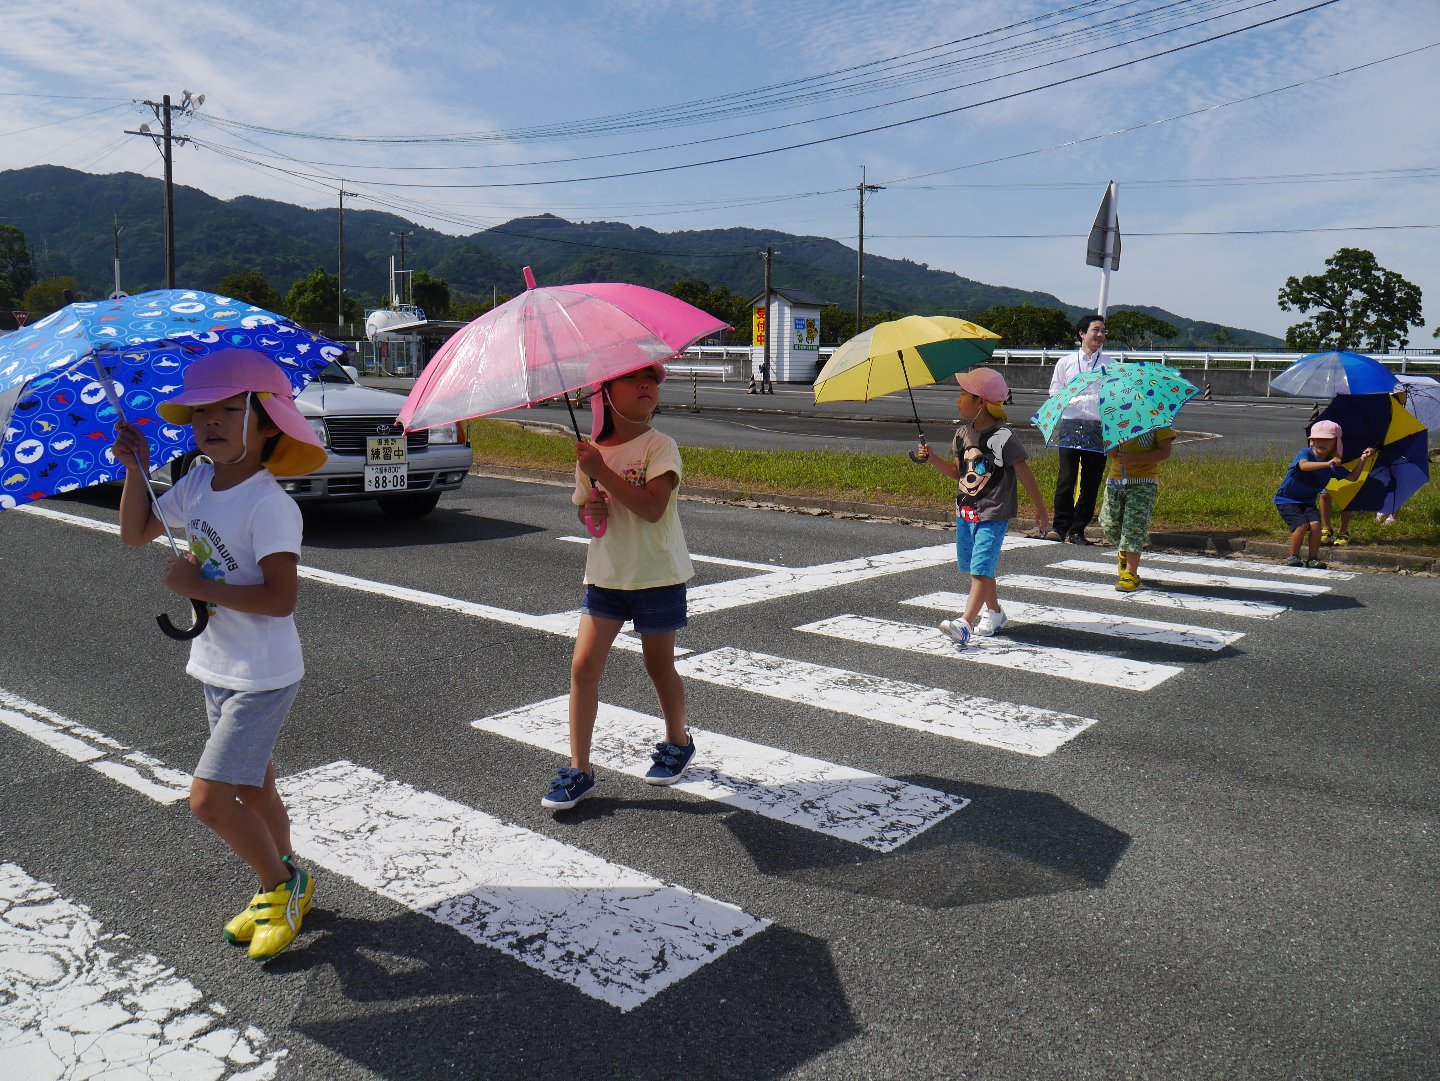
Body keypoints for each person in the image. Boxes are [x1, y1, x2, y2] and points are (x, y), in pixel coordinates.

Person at [112, 348, 327, 963]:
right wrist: (136, 468)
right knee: (255, 790)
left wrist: (199, 586)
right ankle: (287, 881)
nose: (211, 421)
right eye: (201, 410)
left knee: (208, 799)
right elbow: (137, 532)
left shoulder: (270, 504)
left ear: (267, 423)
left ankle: (279, 887)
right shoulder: (200, 480)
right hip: (217, 665)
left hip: (262, 675)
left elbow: (281, 599)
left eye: (230, 409)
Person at [543, 364, 697, 810]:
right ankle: (580, 769)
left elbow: (652, 509)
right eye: (633, 378)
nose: (647, 384)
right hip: (606, 577)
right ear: (605, 391)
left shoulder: (660, 447)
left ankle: (678, 740)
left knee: (658, 666)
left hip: (657, 576)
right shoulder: (590, 454)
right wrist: (591, 506)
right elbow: (586, 514)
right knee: (582, 668)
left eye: (653, 379)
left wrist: (602, 474)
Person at [916, 367, 1050, 647]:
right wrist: (932, 459)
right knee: (979, 569)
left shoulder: (1003, 436)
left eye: (964, 394)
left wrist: (1040, 507)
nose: (958, 399)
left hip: (993, 513)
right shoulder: (962, 434)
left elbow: (1024, 472)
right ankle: (996, 614)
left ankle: (964, 624)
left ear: (982, 402)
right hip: (965, 512)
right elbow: (957, 473)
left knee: (980, 568)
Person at [1273, 419, 1374, 568]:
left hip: (1307, 501)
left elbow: (1353, 477)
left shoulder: (1333, 463)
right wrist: (1327, 464)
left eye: (1327, 440)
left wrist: (1362, 459)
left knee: (1315, 525)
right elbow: (1303, 466)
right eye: (1317, 439)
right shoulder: (1306, 453)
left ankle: (1313, 558)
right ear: (1311, 441)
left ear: (1336, 443)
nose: (1321, 442)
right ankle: (1293, 557)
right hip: (1287, 499)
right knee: (1302, 526)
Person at [1045, 314, 1110, 544]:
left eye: (1103, 331)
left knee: (1091, 481)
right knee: (1066, 478)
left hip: (1097, 426)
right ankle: (1059, 527)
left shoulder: (1109, 365)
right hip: (1071, 424)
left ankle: (1077, 529)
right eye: (1096, 330)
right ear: (1082, 333)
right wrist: (1074, 397)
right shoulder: (1066, 362)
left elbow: (1113, 397)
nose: (1100, 335)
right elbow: (1054, 393)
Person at [1100, 425, 1176, 593]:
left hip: (1144, 481)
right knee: (1110, 525)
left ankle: (1131, 573)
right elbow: (1111, 454)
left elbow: (1164, 452)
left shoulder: (1158, 421)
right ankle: (1123, 552)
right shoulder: (1115, 418)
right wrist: (1113, 439)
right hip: (1116, 480)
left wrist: (1135, 459)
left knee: (1134, 527)